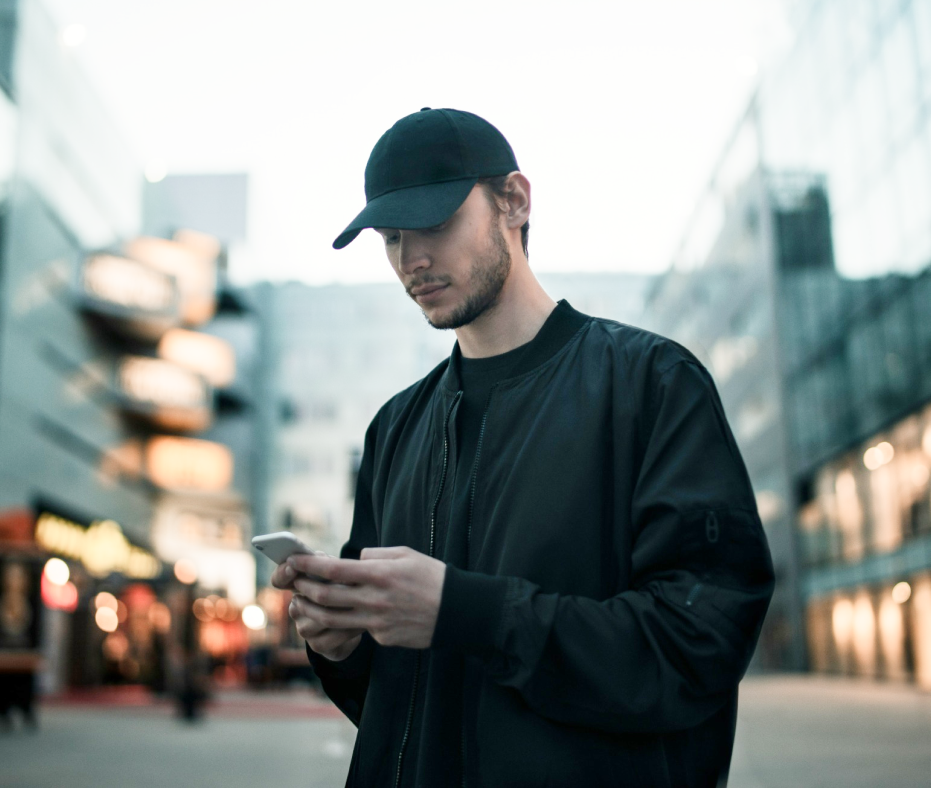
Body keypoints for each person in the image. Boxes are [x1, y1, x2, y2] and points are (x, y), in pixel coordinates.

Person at [272, 107, 775, 787]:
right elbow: (392, 699)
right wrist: (339, 645)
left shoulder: (651, 385)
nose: (410, 259)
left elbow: (697, 648)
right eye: (391, 237)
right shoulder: (395, 428)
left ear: (514, 201)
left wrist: (465, 611)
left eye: (435, 224)